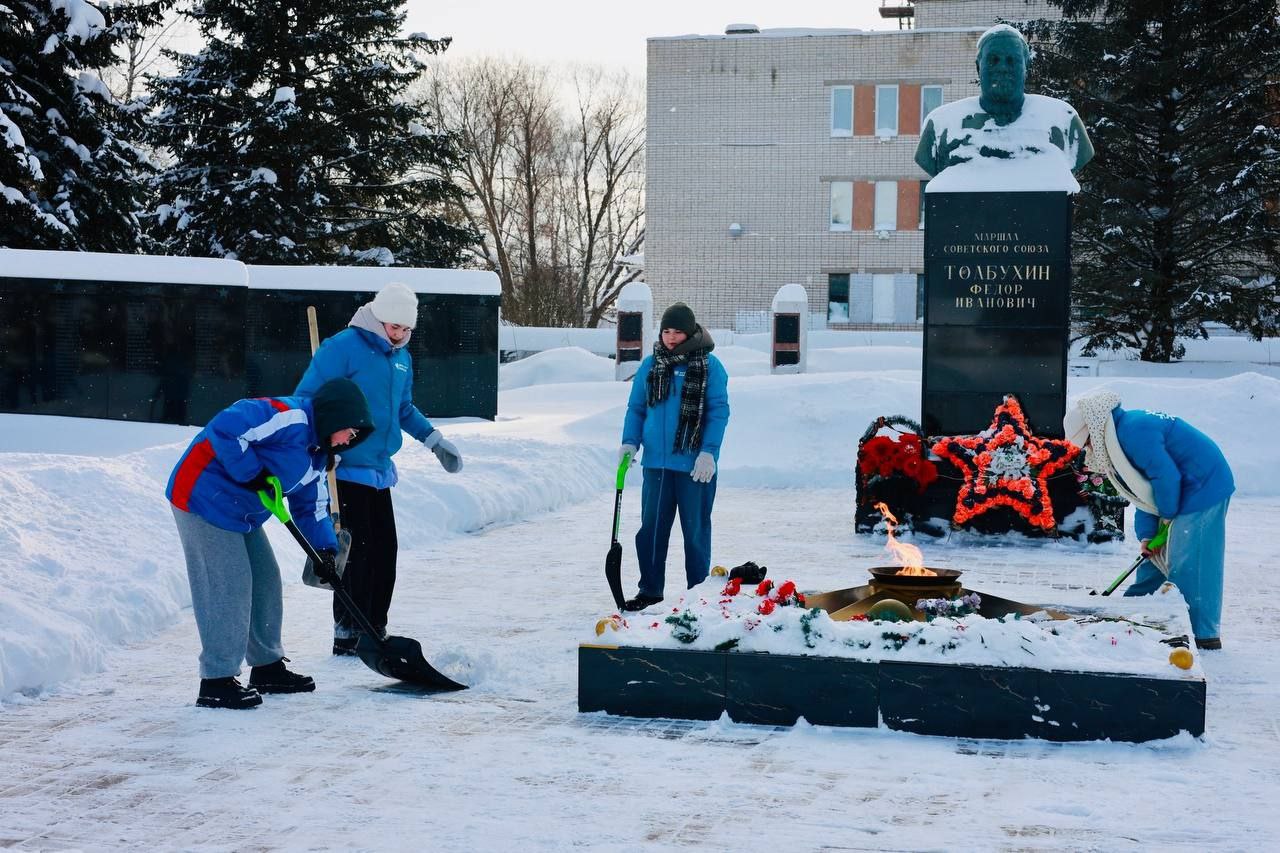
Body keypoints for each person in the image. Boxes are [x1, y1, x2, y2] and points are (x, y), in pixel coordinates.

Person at [166, 378, 374, 709]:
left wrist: (325, 550)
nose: (351, 439)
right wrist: (252, 472)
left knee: (265, 581)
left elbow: (312, 507)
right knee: (228, 584)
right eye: (350, 430)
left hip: (242, 511)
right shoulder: (288, 417)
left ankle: (267, 668)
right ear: (334, 415)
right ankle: (216, 681)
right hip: (201, 495)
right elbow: (226, 427)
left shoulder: (319, 456)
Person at [294, 282, 463, 656]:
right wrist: (321, 445)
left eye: (407, 330)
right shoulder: (342, 348)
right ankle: (348, 630)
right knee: (357, 552)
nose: (400, 335)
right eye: (394, 327)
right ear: (377, 317)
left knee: (385, 551)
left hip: (379, 470)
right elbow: (307, 399)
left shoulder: (401, 359)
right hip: (345, 467)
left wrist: (433, 439)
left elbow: (402, 408)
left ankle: (375, 626)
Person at [1063, 390, 1234, 649]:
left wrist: (1165, 520)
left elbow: (1167, 478)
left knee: (1191, 562)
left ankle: (1202, 635)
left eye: (1086, 442)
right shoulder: (1122, 434)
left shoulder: (1134, 431)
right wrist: (1148, 536)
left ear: (1094, 429)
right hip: (1182, 488)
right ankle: (1132, 614)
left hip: (1203, 485)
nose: (1089, 449)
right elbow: (1145, 493)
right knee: (1152, 557)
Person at [618, 302, 730, 611]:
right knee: (651, 531)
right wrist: (630, 442)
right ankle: (650, 591)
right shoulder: (651, 365)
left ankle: (697, 594)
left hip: (695, 467)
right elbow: (637, 408)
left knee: (694, 532)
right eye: (666, 331)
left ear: (690, 332)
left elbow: (718, 412)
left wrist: (709, 452)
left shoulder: (709, 366)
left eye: (677, 332)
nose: (670, 337)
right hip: (656, 465)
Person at [915, 24, 1094, 178]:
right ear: (979, 67)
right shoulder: (940, 125)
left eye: (1012, 60)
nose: (1002, 68)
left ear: (1026, 68)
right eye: (994, 60)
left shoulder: (1063, 121)